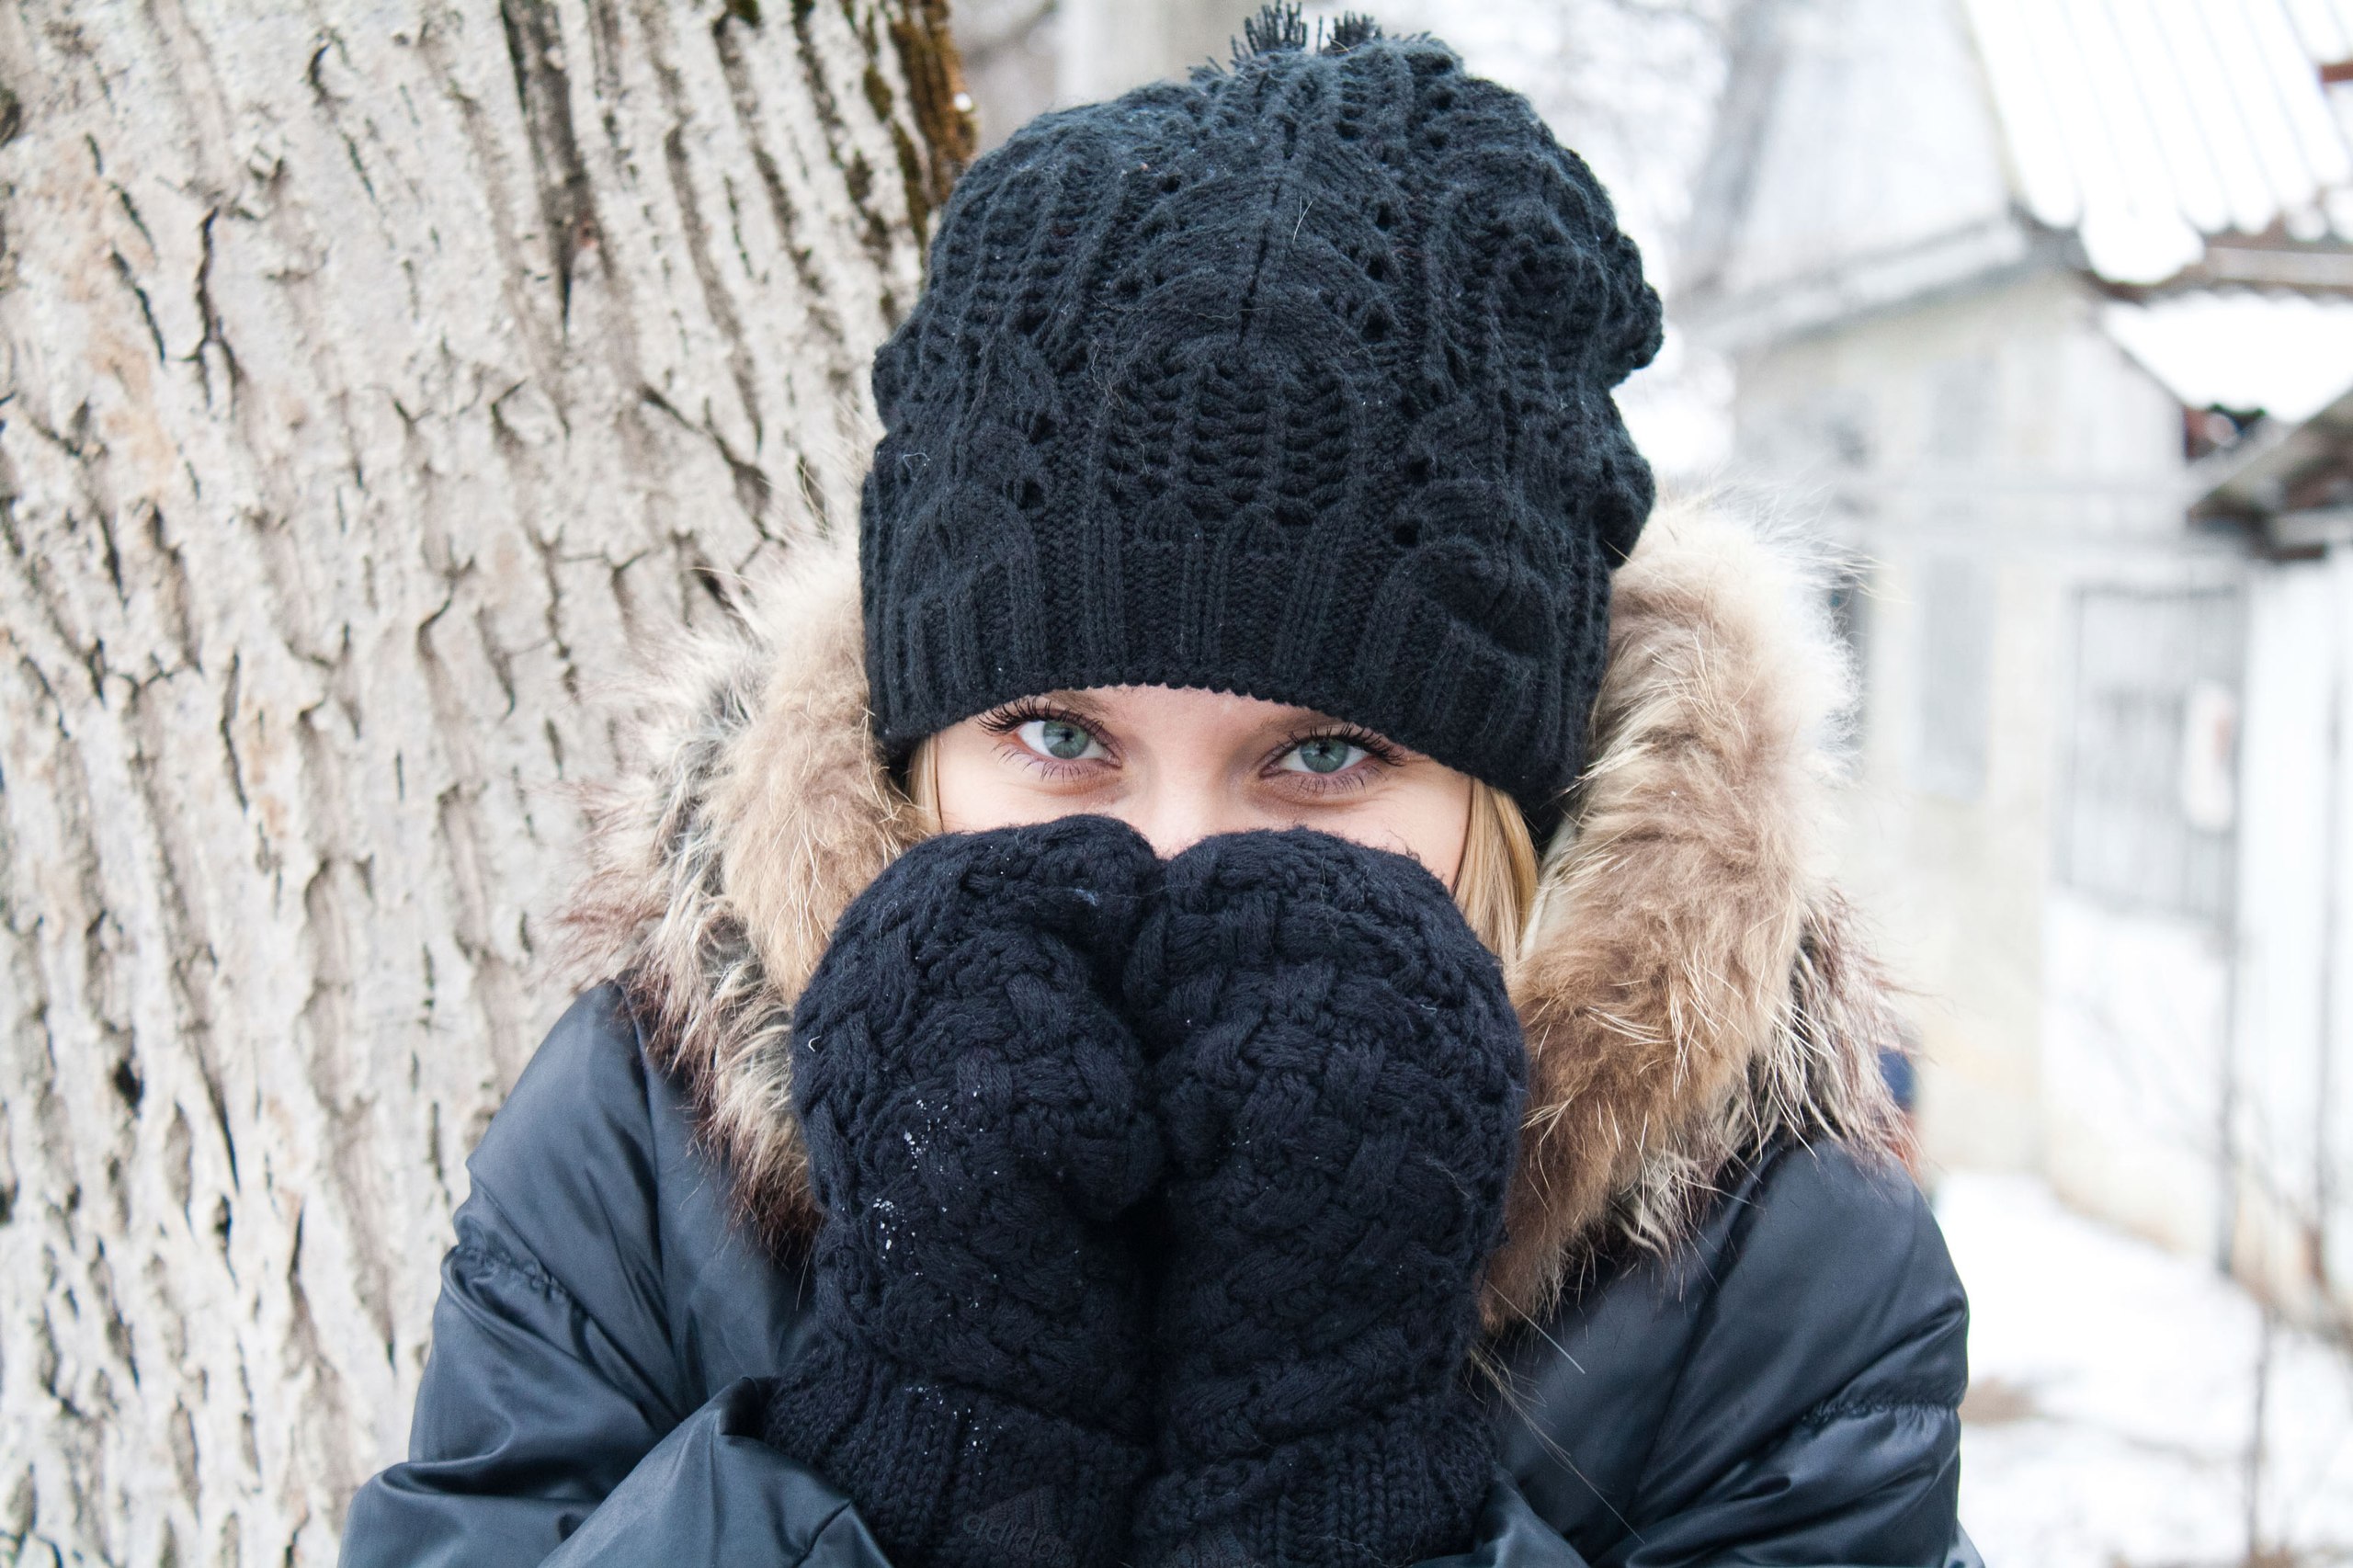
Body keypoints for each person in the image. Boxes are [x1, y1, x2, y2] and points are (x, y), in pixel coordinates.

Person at [342, 11, 1974, 1566]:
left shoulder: (1774, 1261)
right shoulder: (644, 1149)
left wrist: (1344, 1503)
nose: (1176, 857)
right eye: (1062, 738)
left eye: (1323, 755)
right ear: (912, 754)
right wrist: (895, 1460)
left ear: (1509, 804)